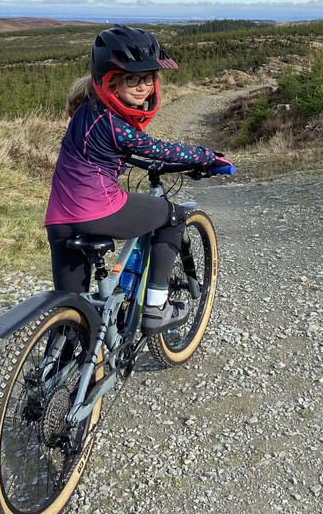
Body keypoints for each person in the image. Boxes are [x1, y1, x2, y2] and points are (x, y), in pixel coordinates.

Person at [44, 25, 228, 334]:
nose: (143, 86)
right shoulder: (116, 125)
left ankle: (60, 369)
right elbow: (161, 150)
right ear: (110, 82)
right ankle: (157, 307)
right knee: (173, 216)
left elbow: (104, 154)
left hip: (59, 219)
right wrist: (208, 157)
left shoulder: (85, 110)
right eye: (132, 78)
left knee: (70, 308)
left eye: (149, 77)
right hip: (100, 211)